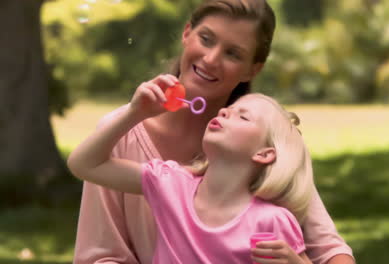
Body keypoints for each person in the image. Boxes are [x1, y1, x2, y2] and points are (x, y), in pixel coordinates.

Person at [72, 0, 355, 263]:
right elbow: (101, 255)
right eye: (206, 39)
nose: (210, 59)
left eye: (233, 53)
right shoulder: (125, 138)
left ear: (253, 69)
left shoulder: (262, 139)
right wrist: (135, 114)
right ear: (186, 33)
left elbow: (330, 249)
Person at [68, 91, 315, 263]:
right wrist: (135, 113)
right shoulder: (171, 184)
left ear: (264, 153)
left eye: (243, 116)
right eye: (227, 109)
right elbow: (85, 165)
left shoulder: (271, 222)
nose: (224, 112)